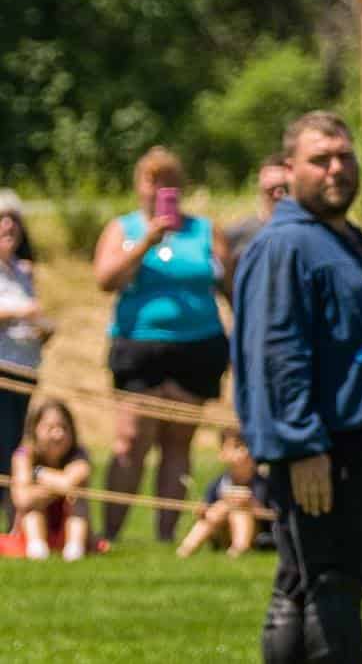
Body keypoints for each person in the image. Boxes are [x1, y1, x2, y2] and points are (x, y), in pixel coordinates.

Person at [233, 110, 362, 664]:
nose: (336, 169)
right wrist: (301, 445)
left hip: (359, 445)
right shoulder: (287, 246)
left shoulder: (347, 243)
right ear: (289, 168)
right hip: (324, 449)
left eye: (345, 156)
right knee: (330, 584)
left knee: (310, 581)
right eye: (320, 159)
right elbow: (279, 353)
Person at [92, 145, 229, 542]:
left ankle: (166, 536)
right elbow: (105, 279)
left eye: (168, 181)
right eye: (152, 181)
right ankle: (110, 535)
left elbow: (230, 284)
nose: (160, 189)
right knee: (131, 440)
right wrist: (146, 242)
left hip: (197, 347)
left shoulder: (204, 230)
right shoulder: (125, 228)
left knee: (177, 443)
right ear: (139, 186)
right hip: (140, 349)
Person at [0, 192, 50, 530]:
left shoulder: (22, 270)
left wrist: (43, 330)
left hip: (24, 371)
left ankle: (12, 524)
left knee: (15, 447)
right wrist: (21, 311)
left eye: (14, 219)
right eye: (2, 219)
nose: (8, 225)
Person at [5, 397, 92, 560]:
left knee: (77, 499)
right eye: (50, 428)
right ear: (35, 429)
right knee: (32, 505)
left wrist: (37, 473)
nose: (58, 434)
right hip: (27, 531)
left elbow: (70, 483)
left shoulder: (80, 455)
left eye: (64, 428)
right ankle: (37, 550)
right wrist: (56, 489)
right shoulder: (23, 456)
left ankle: (74, 551)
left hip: (66, 527)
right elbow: (22, 499)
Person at [177, 426, 277, 558]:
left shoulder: (263, 484)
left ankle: (239, 549)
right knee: (220, 507)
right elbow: (207, 508)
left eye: (249, 447)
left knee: (238, 508)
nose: (244, 452)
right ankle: (187, 548)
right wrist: (202, 510)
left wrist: (250, 504)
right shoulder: (218, 483)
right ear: (223, 454)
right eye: (236, 447)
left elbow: (272, 517)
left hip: (257, 534)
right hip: (221, 532)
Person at [218, 153, 292, 294]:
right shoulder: (237, 234)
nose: (279, 195)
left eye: (285, 188)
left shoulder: (310, 232)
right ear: (261, 189)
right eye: (271, 190)